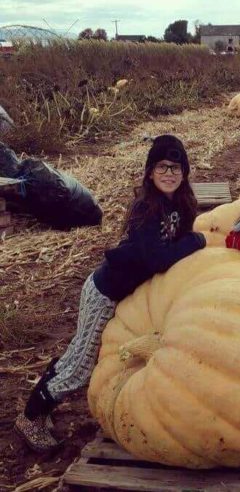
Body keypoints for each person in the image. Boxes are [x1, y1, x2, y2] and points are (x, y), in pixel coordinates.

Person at [14, 134, 206, 452]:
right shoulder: (146, 208)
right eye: (162, 167)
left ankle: (43, 402)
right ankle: (31, 418)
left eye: (176, 167)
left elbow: (176, 243)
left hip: (124, 295)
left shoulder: (180, 204)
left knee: (78, 355)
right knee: (81, 365)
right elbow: (157, 258)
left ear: (185, 172)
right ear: (149, 172)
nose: (169, 173)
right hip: (104, 293)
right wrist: (197, 241)